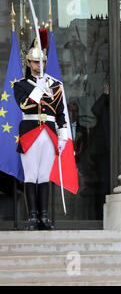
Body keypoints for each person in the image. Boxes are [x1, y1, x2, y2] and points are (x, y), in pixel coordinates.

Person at [13, 31, 68, 230]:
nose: (39, 65)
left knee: (44, 175)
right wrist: (39, 89)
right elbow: (24, 105)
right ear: (28, 63)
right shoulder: (21, 85)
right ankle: (32, 217)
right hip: (30, 132)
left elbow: (61, 112)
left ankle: (44, 217)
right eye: (35, 62)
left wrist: (63, 135)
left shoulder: (56, 86)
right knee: (31, 175)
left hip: (50, 132)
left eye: (41, 61)